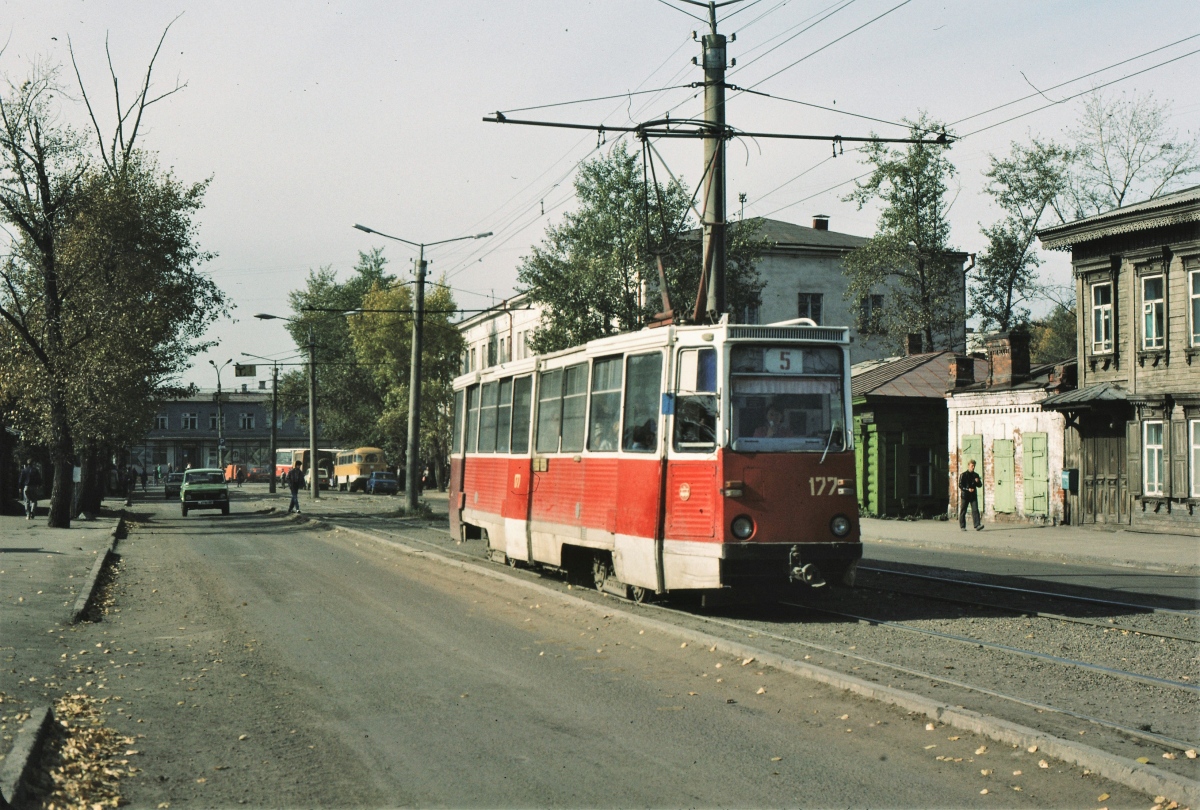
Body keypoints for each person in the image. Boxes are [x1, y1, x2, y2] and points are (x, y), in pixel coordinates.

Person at [958, 459, 984, 531]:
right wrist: (967, 489)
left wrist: (978, 481)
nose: (973, 467)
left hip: (973, 495)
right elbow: (960, 485)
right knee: (963, 510)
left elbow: (980, 485)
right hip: (965, 495)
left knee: (975, 510)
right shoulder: (963, 475)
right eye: (972, 466)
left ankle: (977, 525)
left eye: (974, 466)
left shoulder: (976, 475)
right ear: (968, 466)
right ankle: (962, 526)